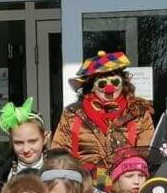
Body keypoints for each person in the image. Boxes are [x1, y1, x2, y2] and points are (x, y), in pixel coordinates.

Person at [51, 50, 154, 183]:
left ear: (123, 83)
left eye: (115, 82)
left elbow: (145, 154)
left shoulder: (138, 112)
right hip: (85, 187)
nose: (109, 88)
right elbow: (59, 154)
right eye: (102, 84)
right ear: (91, 86)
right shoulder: (72, 113)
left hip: (126, 187)